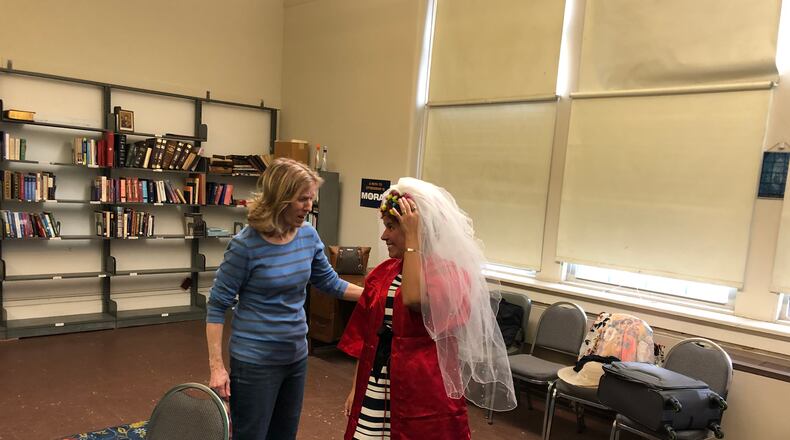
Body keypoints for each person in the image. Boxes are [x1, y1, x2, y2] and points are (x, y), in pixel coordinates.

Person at [339, 178, 517, 440]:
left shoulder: (450, 275)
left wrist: (413, 236)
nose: (383, 235)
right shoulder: (381, 274)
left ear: (418, 230)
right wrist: (357, 387)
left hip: (422, 387)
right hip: (378, 381)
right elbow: (367, 337)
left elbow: (413, 298)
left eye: (391, 227)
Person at [206, 158, 363, 440]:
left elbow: (328, 281)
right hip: (254, 362)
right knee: (251, 435)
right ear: (280, 198)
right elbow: (217, 306)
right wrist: (217, 368)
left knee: (284, 434)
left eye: (310, 199)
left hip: (295, 357)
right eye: (302, 199)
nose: (308, 207)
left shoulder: (308, 235)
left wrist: (375, 295)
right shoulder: (245, 245)